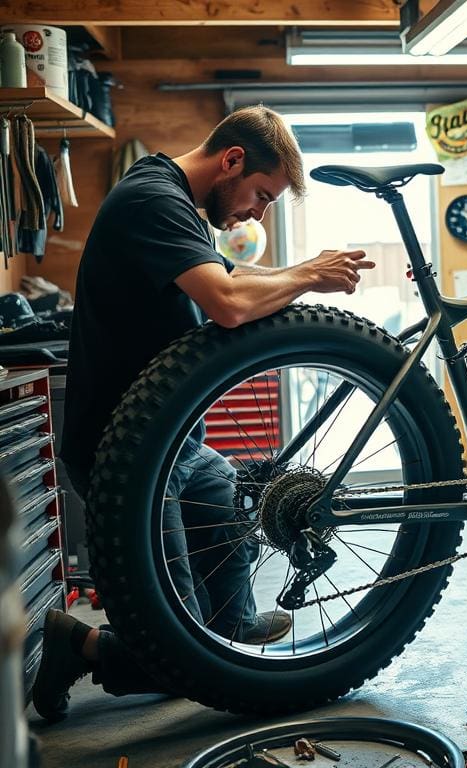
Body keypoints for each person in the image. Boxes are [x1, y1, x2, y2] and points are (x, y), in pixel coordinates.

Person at [33, 105, 375, 722]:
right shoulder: (150, 200)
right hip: (124, 457)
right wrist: (307, 275)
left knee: (225, 612)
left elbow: (230, 273)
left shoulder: (180, 207)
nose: (256, 213)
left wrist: (298, 277)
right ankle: (79, 644)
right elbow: (226, 301)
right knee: (185, 661)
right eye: (261, 195)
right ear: (232, 160)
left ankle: (231, 626)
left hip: (177, 448)